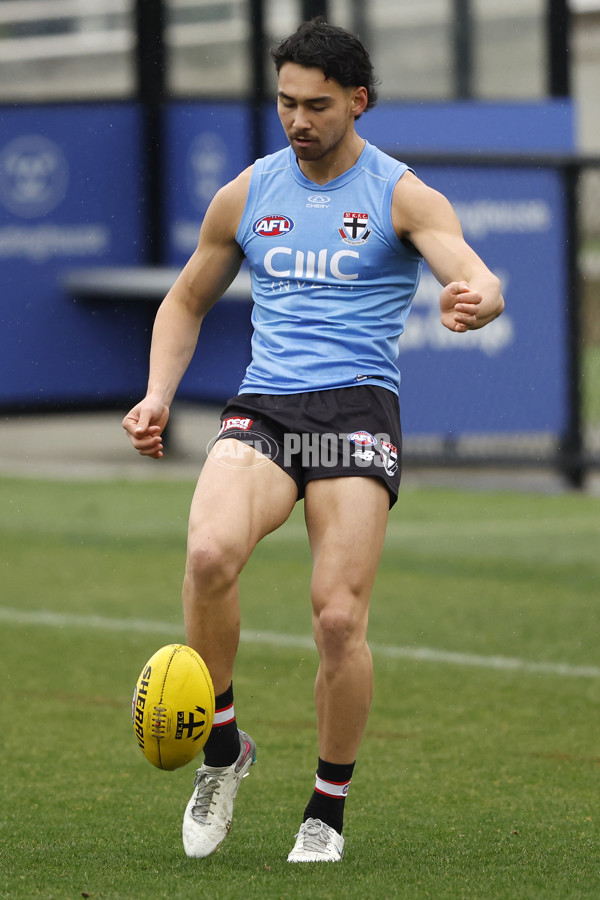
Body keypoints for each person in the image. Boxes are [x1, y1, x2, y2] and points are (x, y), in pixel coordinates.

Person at [123, 17, 504, 863]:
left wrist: (478, 299)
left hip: (358, 412)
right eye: (287, 102)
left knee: (337, 618)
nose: (299, 119)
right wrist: (157, 395)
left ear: (358, 101)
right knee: (210, 553)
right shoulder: (249, 191)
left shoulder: (401, 193)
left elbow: (475, 272)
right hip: (265, 407)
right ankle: (222, 753)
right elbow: (185, 300)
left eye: (318, 105)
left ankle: (326, 808)